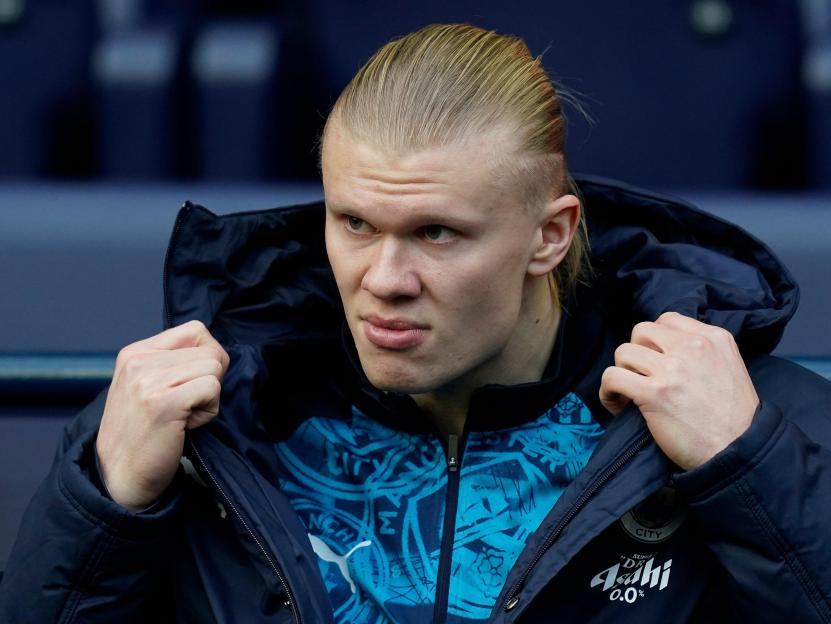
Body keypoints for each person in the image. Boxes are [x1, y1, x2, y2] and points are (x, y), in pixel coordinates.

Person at [2, 23, 831, 624]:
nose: (384, 280)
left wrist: (748, 469)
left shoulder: (743, 420)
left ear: (550, 235)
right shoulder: (205, 419)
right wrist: (104, 506)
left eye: (436, 234)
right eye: (354, 224)